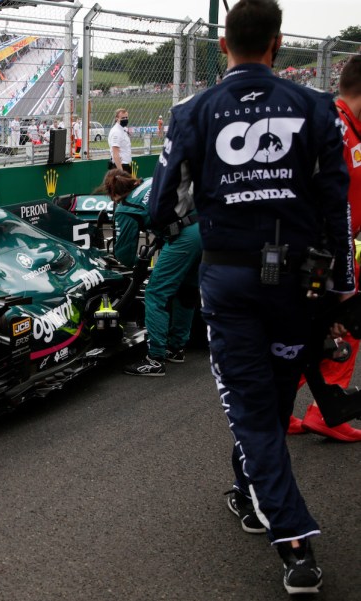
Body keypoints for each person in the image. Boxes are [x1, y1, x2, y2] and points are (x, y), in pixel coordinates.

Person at [149, 1, 352, 594]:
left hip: (229, 282)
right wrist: (340, 287)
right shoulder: (317, 106)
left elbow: (162, 205)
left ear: (222, 44)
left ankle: (293, 542)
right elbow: (335, 204)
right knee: (267, 404)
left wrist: (190, 222)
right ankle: (252, 492)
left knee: (254, 414)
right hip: (300, 283)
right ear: (278, 43)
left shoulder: (192, 110)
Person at [287, 54, 361, 442]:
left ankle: (293, 407)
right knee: (335, 327)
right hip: (329, 251)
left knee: (319, 331)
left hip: (337, 247)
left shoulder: (347, 127)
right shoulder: (334, 129)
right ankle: (316, 409)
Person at [101, 169, 201, 377]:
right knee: (186, 289)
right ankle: (176, 348)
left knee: (155, 293)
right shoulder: (149, 180)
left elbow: (125, 254)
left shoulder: (126, 207)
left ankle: (155, 359)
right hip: (204, 227)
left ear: (112, 193)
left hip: (182, 238)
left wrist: (139, 262)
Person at [108, 108, 132, 172]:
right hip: (120, 166)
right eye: (123, 118)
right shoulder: (116, 132)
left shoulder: (123, 129)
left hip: (126, 164)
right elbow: (115, 153)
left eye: (126, 117)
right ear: (117, 118)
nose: (125, 119)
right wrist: (121, 171)